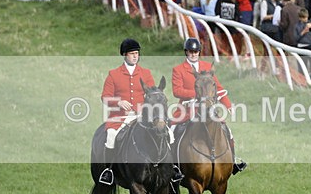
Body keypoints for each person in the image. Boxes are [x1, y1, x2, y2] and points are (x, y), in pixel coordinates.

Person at [171, 38, 247, 174]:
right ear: (186, 52)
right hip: (188, 109)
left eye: (196, 51)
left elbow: (217, 87)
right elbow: (177, 91)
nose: (193, 54)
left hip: (209, 110)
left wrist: (228, 105)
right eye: (191, 52)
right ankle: (173, 167)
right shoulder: (178, 70)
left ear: (199, 52)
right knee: (173, 131)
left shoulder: (207, 67)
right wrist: (198, 94)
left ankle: (233, 161)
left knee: (227, 130)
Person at [97, 39, 157, 185]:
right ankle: (109, 171)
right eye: (132, 54)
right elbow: (105, 97)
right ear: (124, 55)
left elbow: (153, 94)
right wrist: (118, 102)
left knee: (165, 132)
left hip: (141, 116)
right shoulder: (114, 74)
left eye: (137, 53)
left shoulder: (146, 73)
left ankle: (170, 167)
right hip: (120, 117)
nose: (135, 56)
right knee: (111, 136)